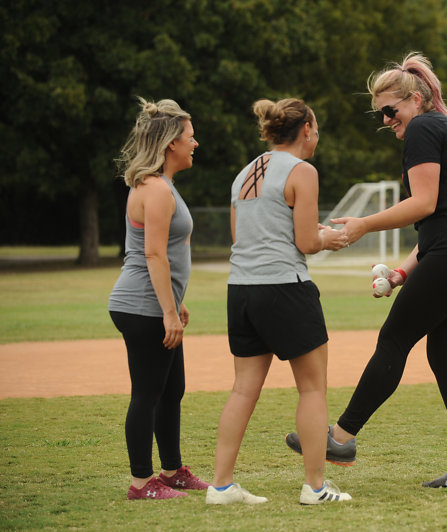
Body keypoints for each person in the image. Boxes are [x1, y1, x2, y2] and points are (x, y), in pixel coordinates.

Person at [283, 52, 447, 490]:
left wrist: (363, 225)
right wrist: (401, 274)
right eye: (380, 114)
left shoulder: (424, 128)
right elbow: (442, 225)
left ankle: (341, 439)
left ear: (416, 100)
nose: (387, 120)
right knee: (445, 355)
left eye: (390, 110)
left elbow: (423, 205)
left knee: (393, 341)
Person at [205, 98, 352, 506]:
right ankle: (315, 488)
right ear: (306, 129)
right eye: (316, 128)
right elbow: (306, 242)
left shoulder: (244, 173)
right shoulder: (303, 171)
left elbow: (244, 238)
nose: (317, 135)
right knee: (312, 389)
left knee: (242, 391)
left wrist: (308, 234)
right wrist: (328, 238)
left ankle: (221, 486)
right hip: (285, 287)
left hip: (241, 289)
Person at [109, 98, 209, 500]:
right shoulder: (154, 189)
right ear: (171, 144)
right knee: (148, 393)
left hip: (155, 303)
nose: (195, 143)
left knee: (172, 389)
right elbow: (152, 254)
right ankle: (140, 483)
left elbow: (164, 251)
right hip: (142, 306)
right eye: (190, 137)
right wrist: (168, 310)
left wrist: (175, 302)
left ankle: (171, 472)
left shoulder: (162, 186)